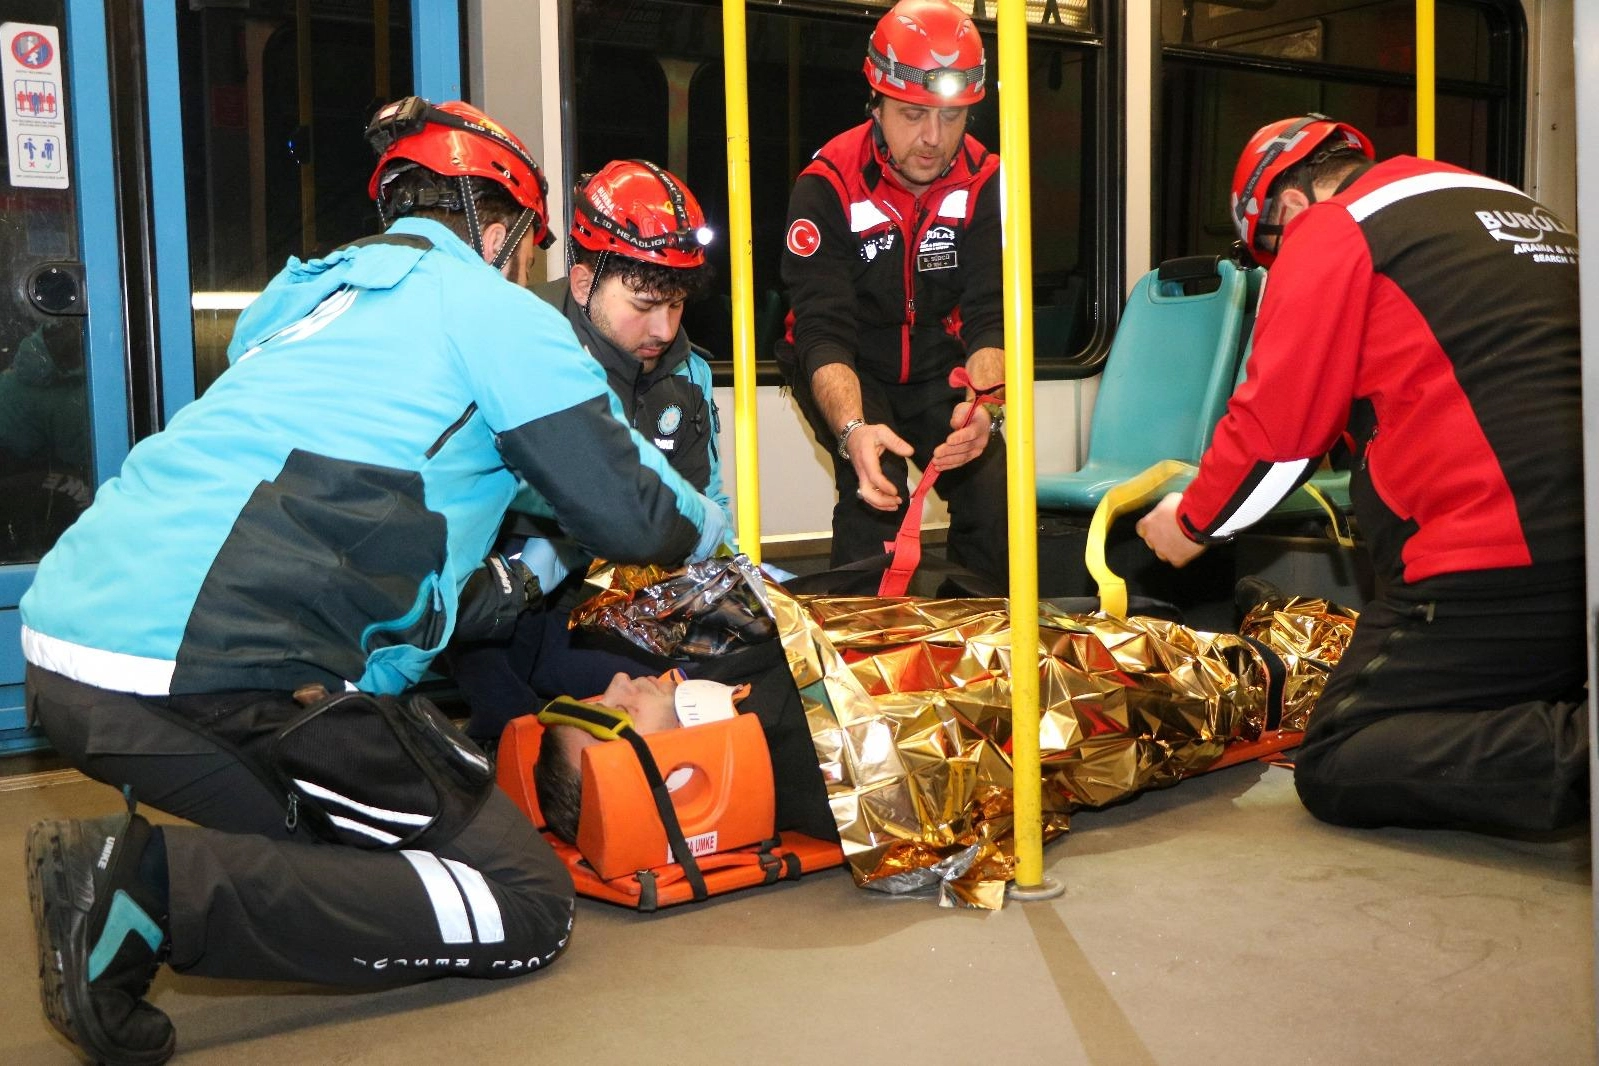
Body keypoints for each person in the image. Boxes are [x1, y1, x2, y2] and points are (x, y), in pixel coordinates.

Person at [20, 97, 728, 1066]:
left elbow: (360, 522)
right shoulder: (490, 310)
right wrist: (716, 526)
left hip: (71, 653)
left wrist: (524, 567)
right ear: (502, 230)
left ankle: (136, 902)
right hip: (223, 665)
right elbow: (640, 517)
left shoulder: (301, 299)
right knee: (525, 901)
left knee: (361, 840)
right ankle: (143, 887)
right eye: (528, 248)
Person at [1136, 114, 1586, 834]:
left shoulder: (1334, 227)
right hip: (1576, 554)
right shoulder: (1514, 208)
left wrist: (1194, 520)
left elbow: (1278, 434)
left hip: (1493, 555)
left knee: (1342, 758)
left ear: (1282, 204)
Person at [449, 158, 732, 744]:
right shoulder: (522, 348)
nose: (662, 329)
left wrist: (733, 581)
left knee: (724, 660)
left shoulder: (688, 373)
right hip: (501, 594)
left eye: (675, 305)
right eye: (643, 305)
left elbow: (703, 503)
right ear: (582, 284)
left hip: (621, 589)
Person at [774, 0, 1008, 584]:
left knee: (992, 487)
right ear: (875, 104)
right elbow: (822, 331)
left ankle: (977, 641)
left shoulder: (986, 182)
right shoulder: (826, 185)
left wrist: (986, 410)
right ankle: (854, 657)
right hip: (851, 363)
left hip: (937, 364)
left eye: (952, 117)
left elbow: (990, 314)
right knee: (871, 496)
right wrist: (853, 430)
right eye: (912, 115)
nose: (933, 138)